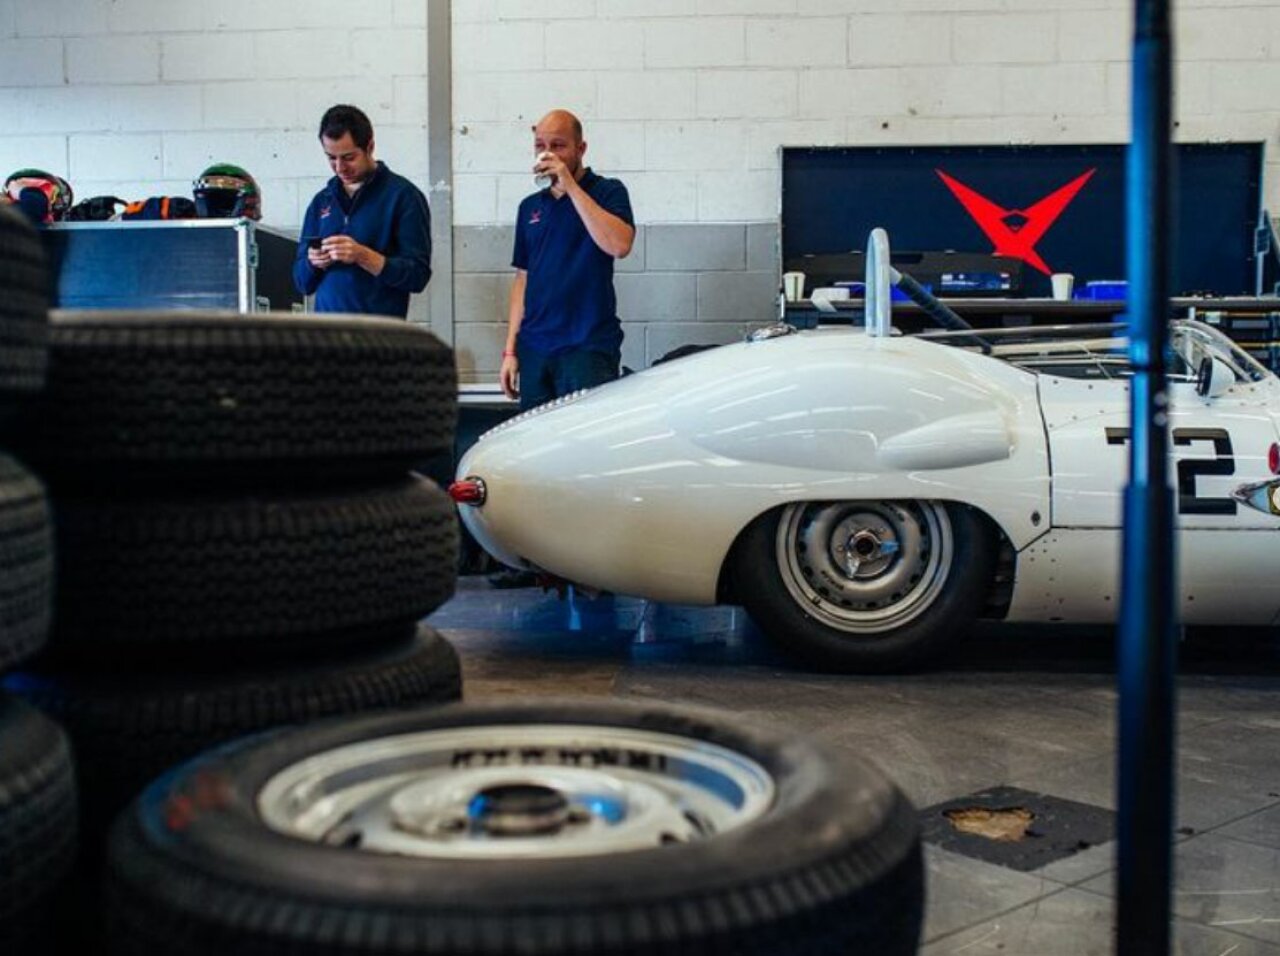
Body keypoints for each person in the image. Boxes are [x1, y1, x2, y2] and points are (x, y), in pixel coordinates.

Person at [500, 109, 635, 410]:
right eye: (540, 145)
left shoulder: (608, 192)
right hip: (535, 349)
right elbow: (523, 279)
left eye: (558, 145)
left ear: (581, 148)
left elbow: (619, 245)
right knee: (533, 447)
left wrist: (570, 187)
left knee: (585, 447)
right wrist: (510, 351)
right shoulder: (529, 208)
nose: (548, 153)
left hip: (586, 348)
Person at [293, 104, 431, 318]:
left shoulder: (404, 196)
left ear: (370, 147)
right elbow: (302, 283)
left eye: (349, 158)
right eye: (331, 157)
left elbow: (418, 276)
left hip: (380, 340)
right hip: (328, 339)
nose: (339, 167)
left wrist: (363, 256)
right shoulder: (321, 202)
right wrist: (313, 263)